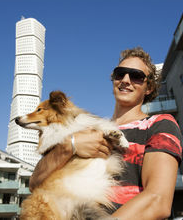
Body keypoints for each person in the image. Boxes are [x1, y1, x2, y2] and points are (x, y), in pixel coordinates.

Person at [29, 47, 182, 220]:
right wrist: (69, 145)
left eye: (136, 76)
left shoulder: (159, 124)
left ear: (148, 88)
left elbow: (157, 200)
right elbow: (34, 183)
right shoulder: (86, 128)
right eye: (120, 73)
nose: (125, 80)